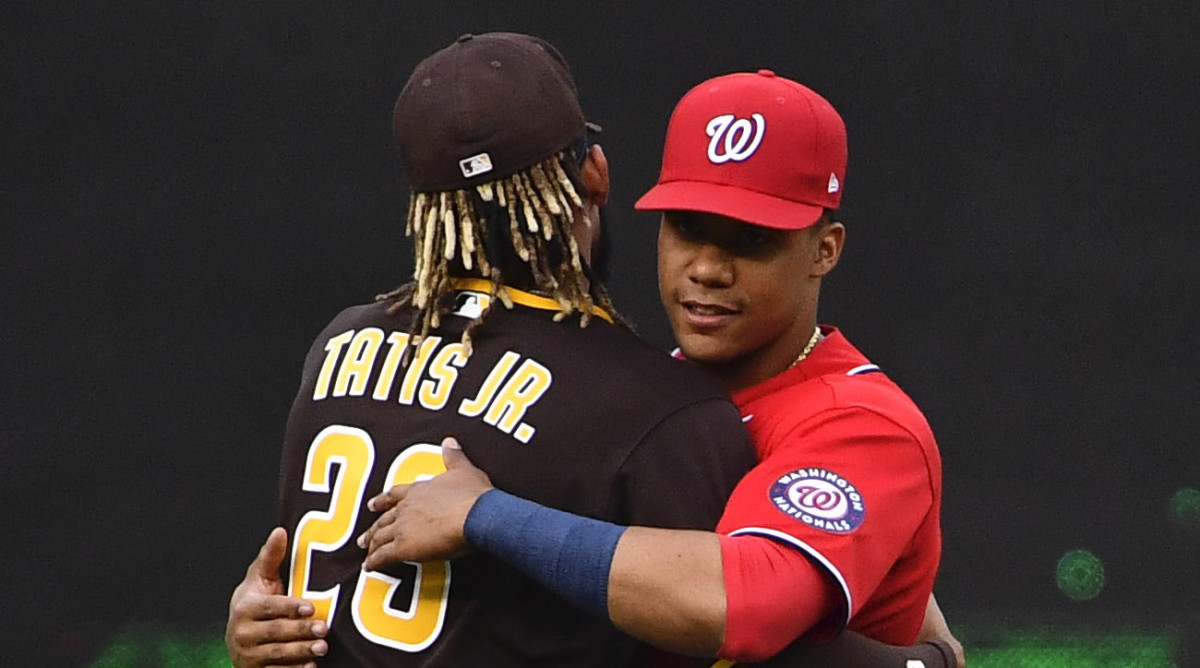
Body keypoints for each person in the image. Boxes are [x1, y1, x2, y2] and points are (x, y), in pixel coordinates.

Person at [359, 70, 959, 666]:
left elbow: (745, 608)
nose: (707, 268)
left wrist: (486, 515)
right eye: (688, 228)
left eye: (752, 240)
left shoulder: (862, 423)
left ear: (824, 249)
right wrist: (287, 612)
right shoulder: (643, 397)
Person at [228, 32, 760, 667]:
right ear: (596, 173)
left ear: (425, 209)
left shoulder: (338, 343)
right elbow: (733, 631)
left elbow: (295, 602)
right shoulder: (662, 409)